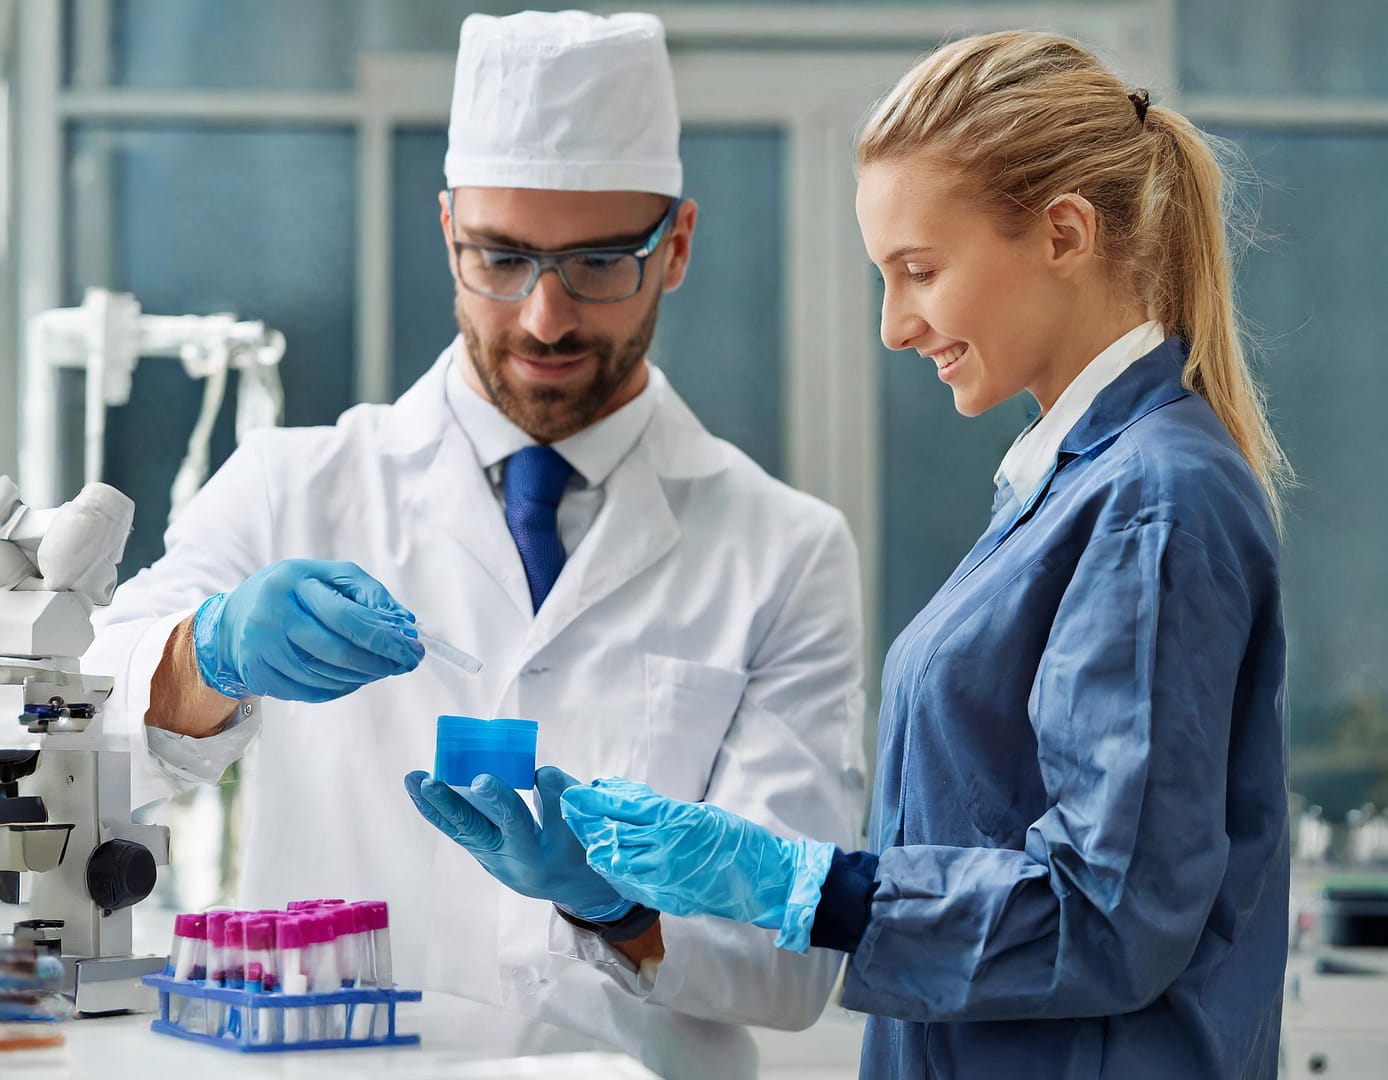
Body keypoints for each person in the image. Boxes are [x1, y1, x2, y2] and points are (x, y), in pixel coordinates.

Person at [85, 12, 866, 1079]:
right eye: (501, 257)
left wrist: (616, 903)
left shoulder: (786, 549)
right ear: (448, 232)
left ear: (675, 246)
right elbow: (81, 750)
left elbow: (789, 970)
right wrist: (202, 656)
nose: (544, 318)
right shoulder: (289, 486)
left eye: (599, 261)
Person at [557, 30, 1291, 1080]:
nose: (895, 325)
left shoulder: (1149, 502)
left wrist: (816, 888)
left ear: (1064, 234)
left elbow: (1110, 916)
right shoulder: (1073, 484)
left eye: (918, 271)